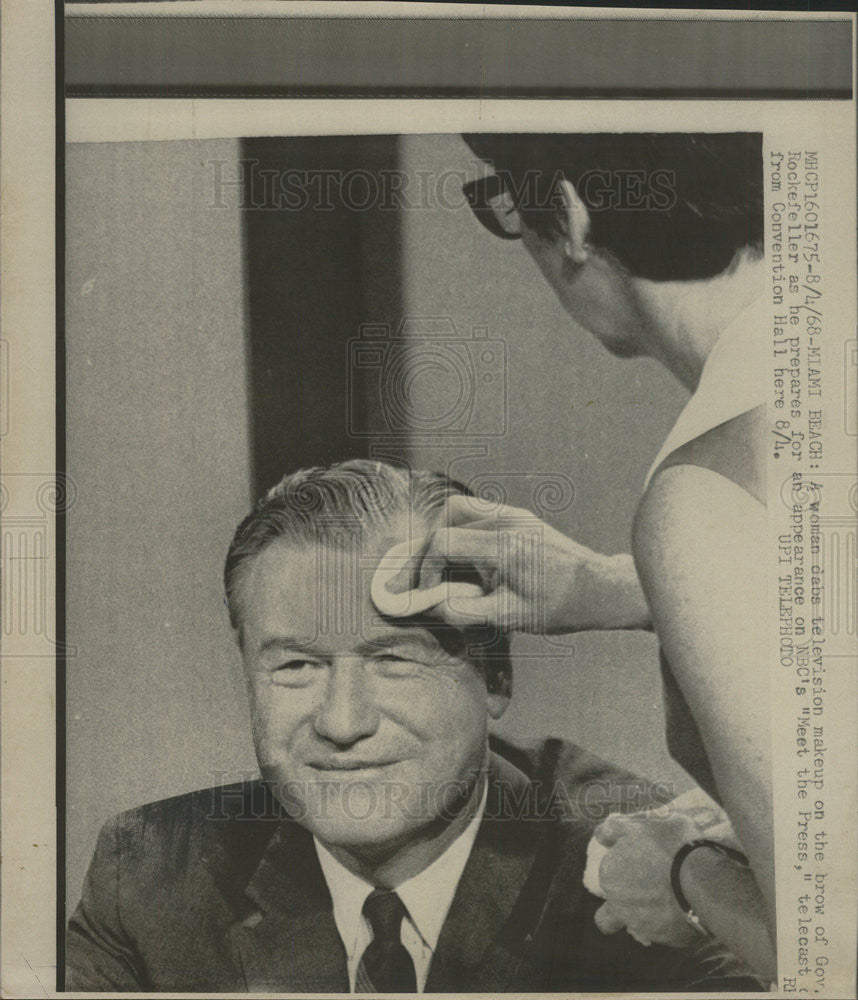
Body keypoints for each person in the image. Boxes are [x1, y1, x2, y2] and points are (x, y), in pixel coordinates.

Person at [66, 460, 761, 993]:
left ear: (494, 680)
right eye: (297, 668)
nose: (343, 723)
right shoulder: (151, 875)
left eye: (394, 661)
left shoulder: (639, 874)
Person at [372, 133, 775, 978]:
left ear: (574, 214)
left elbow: (836, 945)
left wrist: (677, 874)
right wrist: (617, 588)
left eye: (507, 206)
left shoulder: (700, 498)